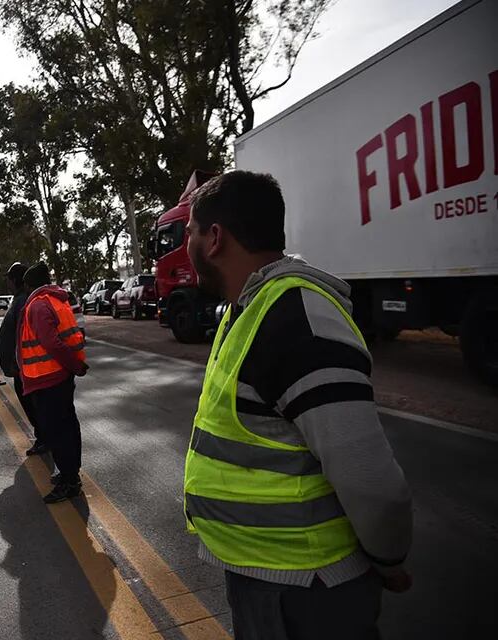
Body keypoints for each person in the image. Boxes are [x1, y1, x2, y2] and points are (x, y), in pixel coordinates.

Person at [181, 170, 413, 639]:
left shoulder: (296, 317)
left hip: (310, 591)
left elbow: (370, 478)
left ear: (215, 238)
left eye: (189, 232)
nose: (185, 244)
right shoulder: (248, 308)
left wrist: (388, 559)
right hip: (271, 580)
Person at [18, 263, 89, 503]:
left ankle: (70, 481)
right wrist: (74, 366)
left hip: (48, 379)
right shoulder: (57, 300)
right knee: (67, 425)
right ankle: (70, 473)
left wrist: (75, 366)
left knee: (58, 431)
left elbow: (52, 343)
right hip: (59, 376)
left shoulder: (38, 305)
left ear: (30, 285)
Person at [0, 262, 45, 455]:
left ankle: (44, 438)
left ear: (16, 279)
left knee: (33, 404)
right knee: (29, 403)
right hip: (20, 365)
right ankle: (42, 436)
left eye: (9, 278)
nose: (7, 282)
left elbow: (26, 334)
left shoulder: (24, 300)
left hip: (25, 366)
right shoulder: (18, 299)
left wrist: (19, 362)